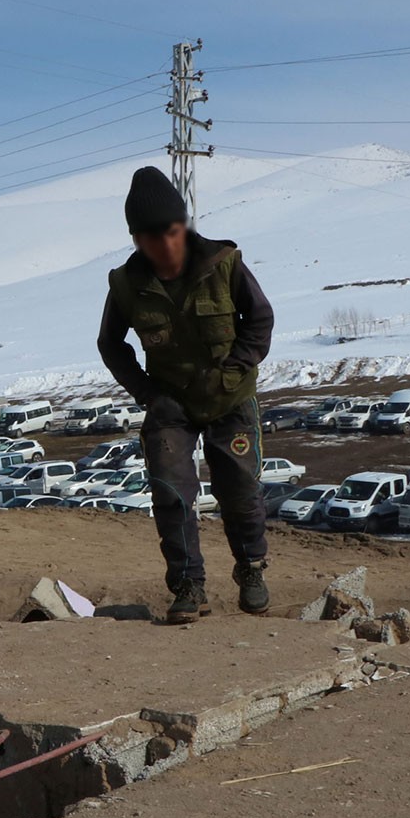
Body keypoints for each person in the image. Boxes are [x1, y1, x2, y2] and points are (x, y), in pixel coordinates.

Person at [98, 167, 275, 624]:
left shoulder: (223, 263)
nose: (165, 245)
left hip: (229, 397)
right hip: (171, 403)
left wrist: (235, 371)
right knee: (171, 492)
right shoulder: (125, 284)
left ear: (184, 227)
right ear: (136, 239)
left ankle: (251, 570)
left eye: (172, 233)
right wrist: (144, 392)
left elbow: (259, 320)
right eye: (151, 237)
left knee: (239, 487)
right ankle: (188, 585)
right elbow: (110, 343)